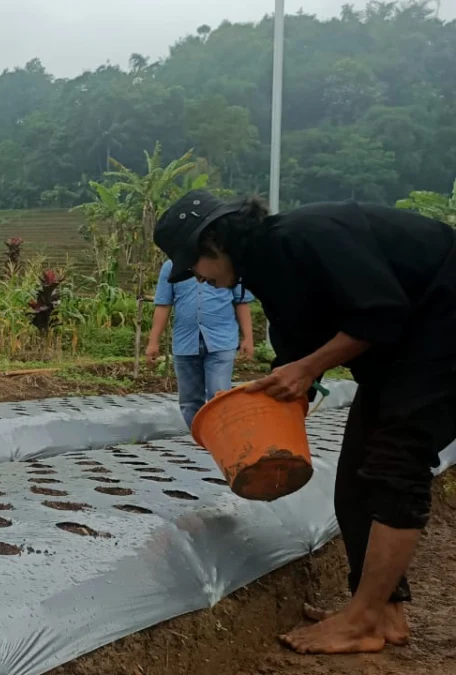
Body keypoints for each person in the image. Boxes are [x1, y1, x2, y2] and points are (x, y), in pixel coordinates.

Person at [154, 189, 456, 656]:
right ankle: (382, 612)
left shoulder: (305, 236)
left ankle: (361, 621)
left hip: (443, 325)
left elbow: (380, 312)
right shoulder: (269, 274)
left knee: (397, 464)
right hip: (407, 349)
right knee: (357, 477)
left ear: (214, 243)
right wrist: (268, 412)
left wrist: (307, 368)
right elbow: (295, 354)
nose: (199, 277)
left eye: (196, 264)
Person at [146, 258, 254, 429]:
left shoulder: (227, 262)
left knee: (219, 396)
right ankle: (200, 439)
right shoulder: (171, 267)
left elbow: (241, 302)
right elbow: (163, 305)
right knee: (189, 401)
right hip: (185, 341)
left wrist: (248, 338)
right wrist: (153, 342)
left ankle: (220, 440)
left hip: (221, 340)